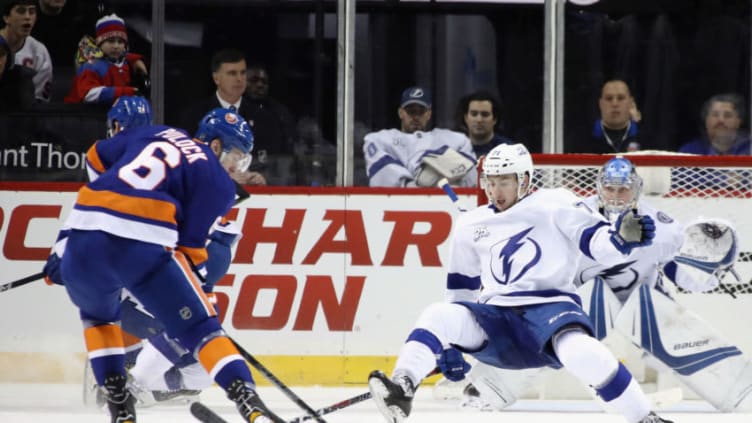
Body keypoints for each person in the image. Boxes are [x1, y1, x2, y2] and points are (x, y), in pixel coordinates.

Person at [367, 143, 672, 423]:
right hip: (497, 321)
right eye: (491, 181)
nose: (495, 190)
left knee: (583, 352)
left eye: (505, 181)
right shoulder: (470, 224)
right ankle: (403, 387)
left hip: (550, 312)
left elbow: (596, 242)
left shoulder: (557, 202)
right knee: (438, 314)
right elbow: (461, 290)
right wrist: (450, 347)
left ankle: (644, 417)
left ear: (524, 181)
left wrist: (620, 239)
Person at [45, 97, 281, 423]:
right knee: (203, 332)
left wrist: (63, 247)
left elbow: (96, 158)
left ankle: (120, 406)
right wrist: (204, 310)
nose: (238, 169)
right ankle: (251, 406)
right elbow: (187, 254)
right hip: (140, 250)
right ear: (215, 146)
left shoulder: (157, 132)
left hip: (83, 234)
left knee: (98, 320)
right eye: (236, 157)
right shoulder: (216, 184)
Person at [455, 156, 752, 414]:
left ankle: (738, 388)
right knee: (578, 306)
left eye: (623, 189)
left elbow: (683, 276)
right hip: (580, 308)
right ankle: (489, 386)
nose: (616, 196)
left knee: (650, 307)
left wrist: (709, 273)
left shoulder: (661, 228)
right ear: (598, 188)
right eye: (610, 188)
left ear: (636, 189)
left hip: (646, 312)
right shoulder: (574, 215)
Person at [179, 48, 267, 185]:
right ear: (216, 78)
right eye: (232, 73)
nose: (239, 79)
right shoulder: (194, 115)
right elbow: (186, 162)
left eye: (242, 73)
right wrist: (222, 177)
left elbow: (272, 158)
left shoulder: (262, 115)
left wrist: (259, 177)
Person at [363, 86, 477, 187]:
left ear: (429, 114)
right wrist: (409, 184)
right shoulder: (381, 139)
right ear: (400, 113)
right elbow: (380, 168)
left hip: (442, 201)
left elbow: (470, 176)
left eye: (421, 112)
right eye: (411, 111)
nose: (416, 117)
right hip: (398, 203)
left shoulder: (453, 139)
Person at [64, 13, 149, 105]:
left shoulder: (125, 62)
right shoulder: (90, 66)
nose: (116, 46)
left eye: (120, 42)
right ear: (99, 43)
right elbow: (88, 94)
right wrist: (127, 92)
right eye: (110, 41)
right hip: (82, 116)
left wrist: (135, 59)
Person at [244, 63, 297, 184]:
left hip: (275, 174)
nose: (260, 85)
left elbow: (289, 147)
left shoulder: (279, 112)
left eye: (264, 81)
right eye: (254, 80)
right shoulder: (234, 111)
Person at [0, 0, 52, 102]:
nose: (27, 17)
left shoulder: (39, 51)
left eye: (32, 12)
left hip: (26, 113)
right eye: (21, 11)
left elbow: (40, 99)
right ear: (6, 18)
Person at [580, 79, 642, 154]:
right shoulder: (581, 139)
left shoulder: (646, 138)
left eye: (621, 98)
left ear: (631, 102)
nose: (614, 104)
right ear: (600, 104)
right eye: (609, 98)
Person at [678, 93, 751, 155]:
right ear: (706, 120)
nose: (721, 120)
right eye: (715, 115)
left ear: (739, 121)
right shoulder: (690, 151)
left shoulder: (749, 149)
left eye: (728, 115)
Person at [455, 90, 513, 158]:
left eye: (485, 115)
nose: (479, 120)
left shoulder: (509, 150)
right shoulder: (453, 148)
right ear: (466, 118)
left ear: (495, 119)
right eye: (474, 114)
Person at [0, 33, 35, 111]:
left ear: (8, 58)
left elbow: (27, 117)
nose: (0, 62)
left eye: (2, 55)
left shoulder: (20, 81)